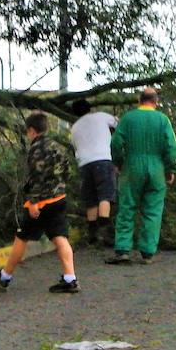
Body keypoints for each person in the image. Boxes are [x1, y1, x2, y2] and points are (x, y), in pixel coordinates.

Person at [0, 112, 79, 293]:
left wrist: (33, 202)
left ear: (32, 130)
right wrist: (60, 187)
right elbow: (68, 172)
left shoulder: (36, 150)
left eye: (28, 132)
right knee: (60, 237)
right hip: (59, 198)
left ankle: (4, 277)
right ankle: (70, 278)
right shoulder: (57, 146)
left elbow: (36, 178)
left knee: (22, 237)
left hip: (41, 202)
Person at [106, 87, 176, 265]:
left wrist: (119, 162)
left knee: (127, 207)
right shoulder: (163, 120)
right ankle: (147, 253)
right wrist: (170, 169)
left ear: (140, 100)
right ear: (156, 101)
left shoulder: (129, 118)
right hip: (157, 168)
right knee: (153, 210)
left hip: (132, 165)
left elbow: (115, 142)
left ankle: (123, 250)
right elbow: (172, 147)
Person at [70, 98, 118, 247]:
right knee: (105, 194)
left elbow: (75, 146)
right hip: (103, 159)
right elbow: (119, 124)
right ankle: (105, 231)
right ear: (90, 108)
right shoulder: (102, 116)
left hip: (84, 163)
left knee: (90, 197)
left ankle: (92, 234)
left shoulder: (75, 127)